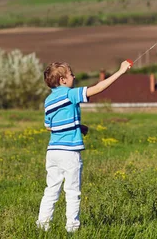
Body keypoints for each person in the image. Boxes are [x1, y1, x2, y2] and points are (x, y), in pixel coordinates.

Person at [36, 59, 133, 233]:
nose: (74, 76)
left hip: (53, 152)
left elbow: (49, 125)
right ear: (62, 80)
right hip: (69, 153)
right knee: (73, 191)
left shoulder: (48, 100)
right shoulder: (69, 94)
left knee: (51, 189)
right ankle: (72, 228)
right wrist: (120, 72)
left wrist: (78, 126)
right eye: (71, 74)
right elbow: (97, 88)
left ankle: (42, 226)